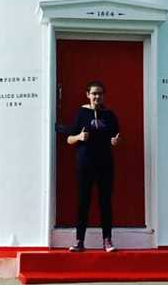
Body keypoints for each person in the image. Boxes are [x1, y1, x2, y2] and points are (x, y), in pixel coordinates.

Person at [67, 80, 121, 252]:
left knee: (105, 201)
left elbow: (116, 137)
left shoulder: (110, 115)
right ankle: (79, 241)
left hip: (105, 163)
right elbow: (69, 139)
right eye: (94, 93)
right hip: (85, 163)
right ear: (88, 95)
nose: (97, 96)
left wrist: (116, 141)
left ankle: (107, 240)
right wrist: (79, 137)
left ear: (103, 96)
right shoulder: (81, 113)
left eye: (100, 93)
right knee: (83, 202)